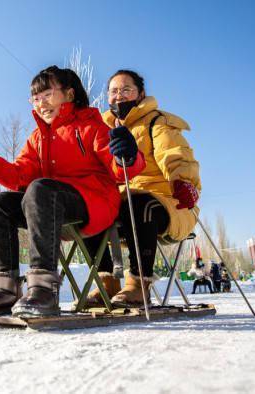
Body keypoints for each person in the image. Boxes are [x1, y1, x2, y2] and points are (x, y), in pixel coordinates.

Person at [0, 65, 145, 317]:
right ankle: (7, 290)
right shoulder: (38, 137)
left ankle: (44, 289)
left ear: (69, 95)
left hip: (95, 203)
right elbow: (19, 176)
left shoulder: (91, 126)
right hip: (49, 206)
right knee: (0, 203)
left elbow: (120, 169)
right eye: (36, 98)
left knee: (40, 189)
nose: (41, 103)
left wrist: (128, 154)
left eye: (47, 95)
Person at [86, 69, 201, 307]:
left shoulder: (156, 122)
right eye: (114, 91)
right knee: (88, 207)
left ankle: (139, 284)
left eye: (126, 90)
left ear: (140, 94)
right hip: (119, 203)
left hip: (167, 201)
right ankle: (106, 283)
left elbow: (174, 155)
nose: (119, 96)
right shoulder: (102, 129)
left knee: (137, 203)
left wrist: (183, 183)